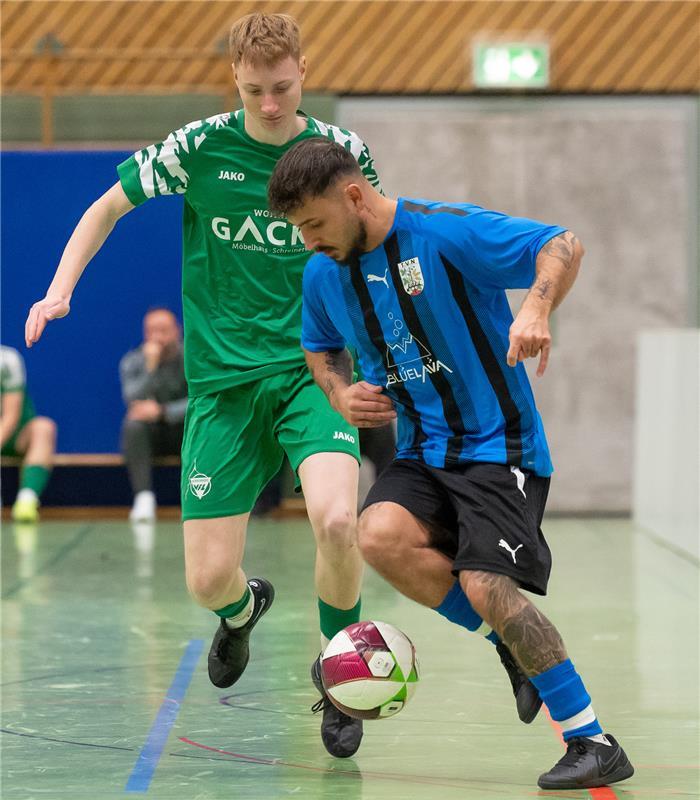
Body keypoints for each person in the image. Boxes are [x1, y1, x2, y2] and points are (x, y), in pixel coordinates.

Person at [24, 12, 377, 760]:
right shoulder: (200, 146)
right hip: (220, 388)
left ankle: (342, 675)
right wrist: (59, 290)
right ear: (235, 82)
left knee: (339, 521)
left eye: (282, 88)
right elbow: (106, 206)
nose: (271, 104)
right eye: (255, 91)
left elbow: (378, 248)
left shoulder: (343, 154)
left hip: (313, 372)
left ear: (304, 71)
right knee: (207, 579)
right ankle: (243, 612)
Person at [267, 137, 634, 790]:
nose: (308, 242)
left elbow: (562, 244)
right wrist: (338, 392)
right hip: (421, 451)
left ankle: (592, 739)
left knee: (485, 587)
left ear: (353, 197)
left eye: (314, 225)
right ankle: (509, 648)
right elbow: (319, 345)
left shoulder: (443, 234)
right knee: (375, 535)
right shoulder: (325, 272)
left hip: (500, 447)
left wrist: (536, 305)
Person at [120, 307, 187, 521]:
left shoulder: (192, 358)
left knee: (210, 424)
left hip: (185, 428)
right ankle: (144, 499)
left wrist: (163, 412)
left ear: (177, 330)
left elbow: (201, 401)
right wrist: (150, 366)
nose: (158, 337)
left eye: (164, 330)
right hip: (153, 434)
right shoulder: (133, 361)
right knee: (133, 425)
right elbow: (133, 400)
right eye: (152, 331)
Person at [1, 345, 57, 522]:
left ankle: (26, 501)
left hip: (14, 437)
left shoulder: (7, 359)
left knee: (44, 428)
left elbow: (11, 416)